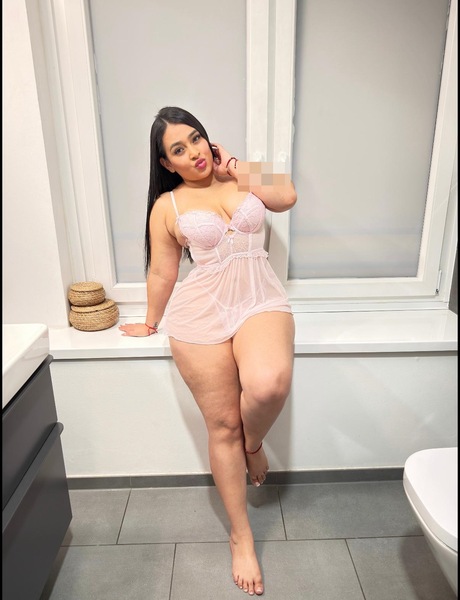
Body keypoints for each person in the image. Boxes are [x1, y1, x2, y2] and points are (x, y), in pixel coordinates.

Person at [119, 106, 296, 596]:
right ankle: (241, 537)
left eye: (196, 138)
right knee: (222, 426)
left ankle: (253, 446)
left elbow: (286, 195)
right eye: (179, 149)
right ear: (166, 163)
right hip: (201, 313)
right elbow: (163, 271)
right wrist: (150, 321)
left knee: (268, 384)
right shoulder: (167, 207)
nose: (194, 152)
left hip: (259, 298)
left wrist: (234, 164)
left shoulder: (239, 176)